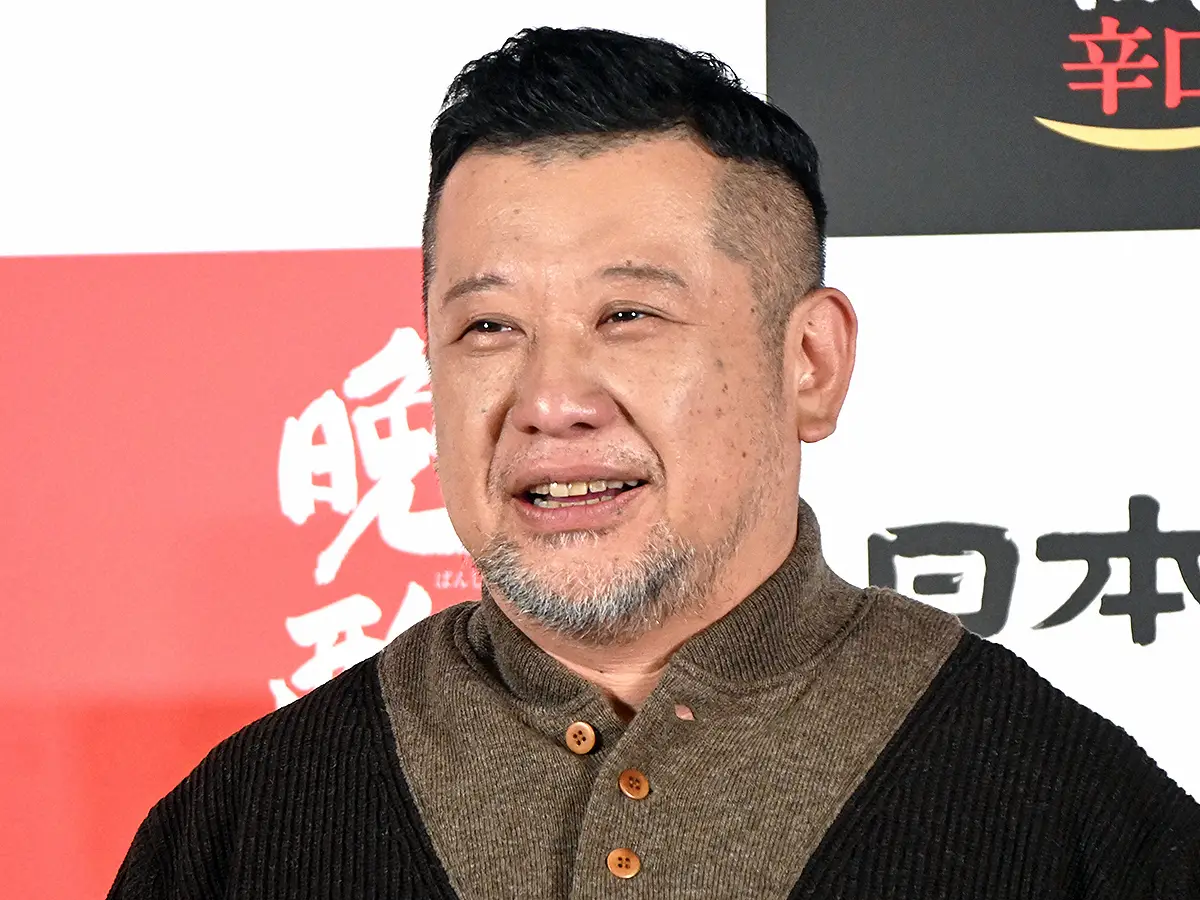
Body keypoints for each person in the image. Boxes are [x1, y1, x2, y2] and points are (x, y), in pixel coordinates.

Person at [108, 26, 1200, 900]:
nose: (550, 401)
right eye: (488, 327)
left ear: (811, 363)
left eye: (628, 314)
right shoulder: (239, 828)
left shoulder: (1075, 814)